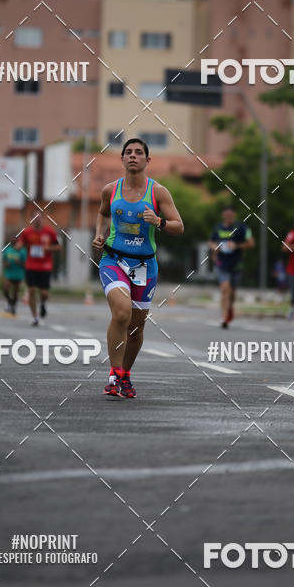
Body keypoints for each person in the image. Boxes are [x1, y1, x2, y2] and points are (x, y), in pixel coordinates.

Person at [93, 138, 184, 399]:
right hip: (114, 260)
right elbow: (102, 212)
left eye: (139, 152)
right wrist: (100, 235)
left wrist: (159, 221)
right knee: (121, 312)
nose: (133, 156)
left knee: (136, 327)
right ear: (122, 159)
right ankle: (114, 374)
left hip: (145, 265)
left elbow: (179, 226)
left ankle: (125, 375)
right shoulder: (110, 190)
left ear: (147, 160)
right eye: (128, 152)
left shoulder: (159, 193)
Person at [209, 206, 255, 328]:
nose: (229, 217)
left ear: (234, 215)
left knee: (232, 293)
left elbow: (251, 243)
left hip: (236, 263)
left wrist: (237, 246)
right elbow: (211, 241)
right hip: (221, 263)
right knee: (225, 289)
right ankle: (223, 317)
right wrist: (214, 247)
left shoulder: (242, 228)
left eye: (231, 215)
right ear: (223, 215)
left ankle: (230, 308)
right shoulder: (217, 228)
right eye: (227, 215)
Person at [20, 213, 61, 326]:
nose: (37, 221)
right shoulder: (27, 232)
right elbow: (20, 243)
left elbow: (58, 246)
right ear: (32, 220)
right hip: (31, 266)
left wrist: (49, 248)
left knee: (44, 293)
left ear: (42, 220)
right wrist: (18, 246)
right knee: (32, 291)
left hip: (45, 266)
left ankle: (43, 303)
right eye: (35, 219)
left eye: (39, 219)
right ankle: (35, 316)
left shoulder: (49, 232)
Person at [2, 235, 27, 315]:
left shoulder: (22, 251)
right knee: (5, 289)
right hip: (9, 273)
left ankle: (13, 307)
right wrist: (6, 264)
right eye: (12, 239)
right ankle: (10, 302)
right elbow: (4, 261)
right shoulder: (7, 250)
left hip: (18, 273)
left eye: (15, 239)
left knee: (15, 292)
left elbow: (25, 264)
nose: (13, 240)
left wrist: (19, 263)